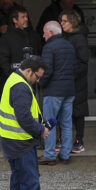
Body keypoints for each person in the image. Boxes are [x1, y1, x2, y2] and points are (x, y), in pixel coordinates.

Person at [0, 55, 50, 190]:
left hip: (13, 141)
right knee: (29, 183)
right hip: (20, 142)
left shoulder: (14, 79)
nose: (38, 80)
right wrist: (40, 130)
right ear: (28, 71)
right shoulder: (20, 87)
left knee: (19, 183)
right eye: (37, 76)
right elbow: (24, 117)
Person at [38, 21, 75, 165]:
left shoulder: (49, 47)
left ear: (51, 33)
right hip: (69, 90)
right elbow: (75, 68)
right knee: (66, 123)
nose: (43, 35)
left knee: (50, 123)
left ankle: (50, 155)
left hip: (53, 91)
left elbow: (47, 71)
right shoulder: (70, 46)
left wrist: (40, 83)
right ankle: (65, 155)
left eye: (44, 32)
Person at [60, 10, 89, 153]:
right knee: (64, 110)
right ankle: (63, 139)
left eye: (64, 21)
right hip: (66, 81)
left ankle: (79, 140)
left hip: (77, 82)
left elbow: (83, 63)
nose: (62, 23)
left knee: (78, 111)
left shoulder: (79, 39)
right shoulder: (64, 38)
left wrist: (70, 73)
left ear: (72, 22)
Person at [0, 6, 40, 78]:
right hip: (14, 79)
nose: (26, 19)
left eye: (26, 16)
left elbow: (39, 56)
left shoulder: (35, 36)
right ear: (15, 20)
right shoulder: (6, 38)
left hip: (33, 80)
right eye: (23, 17)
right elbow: (3, 62)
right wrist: (12, 76)